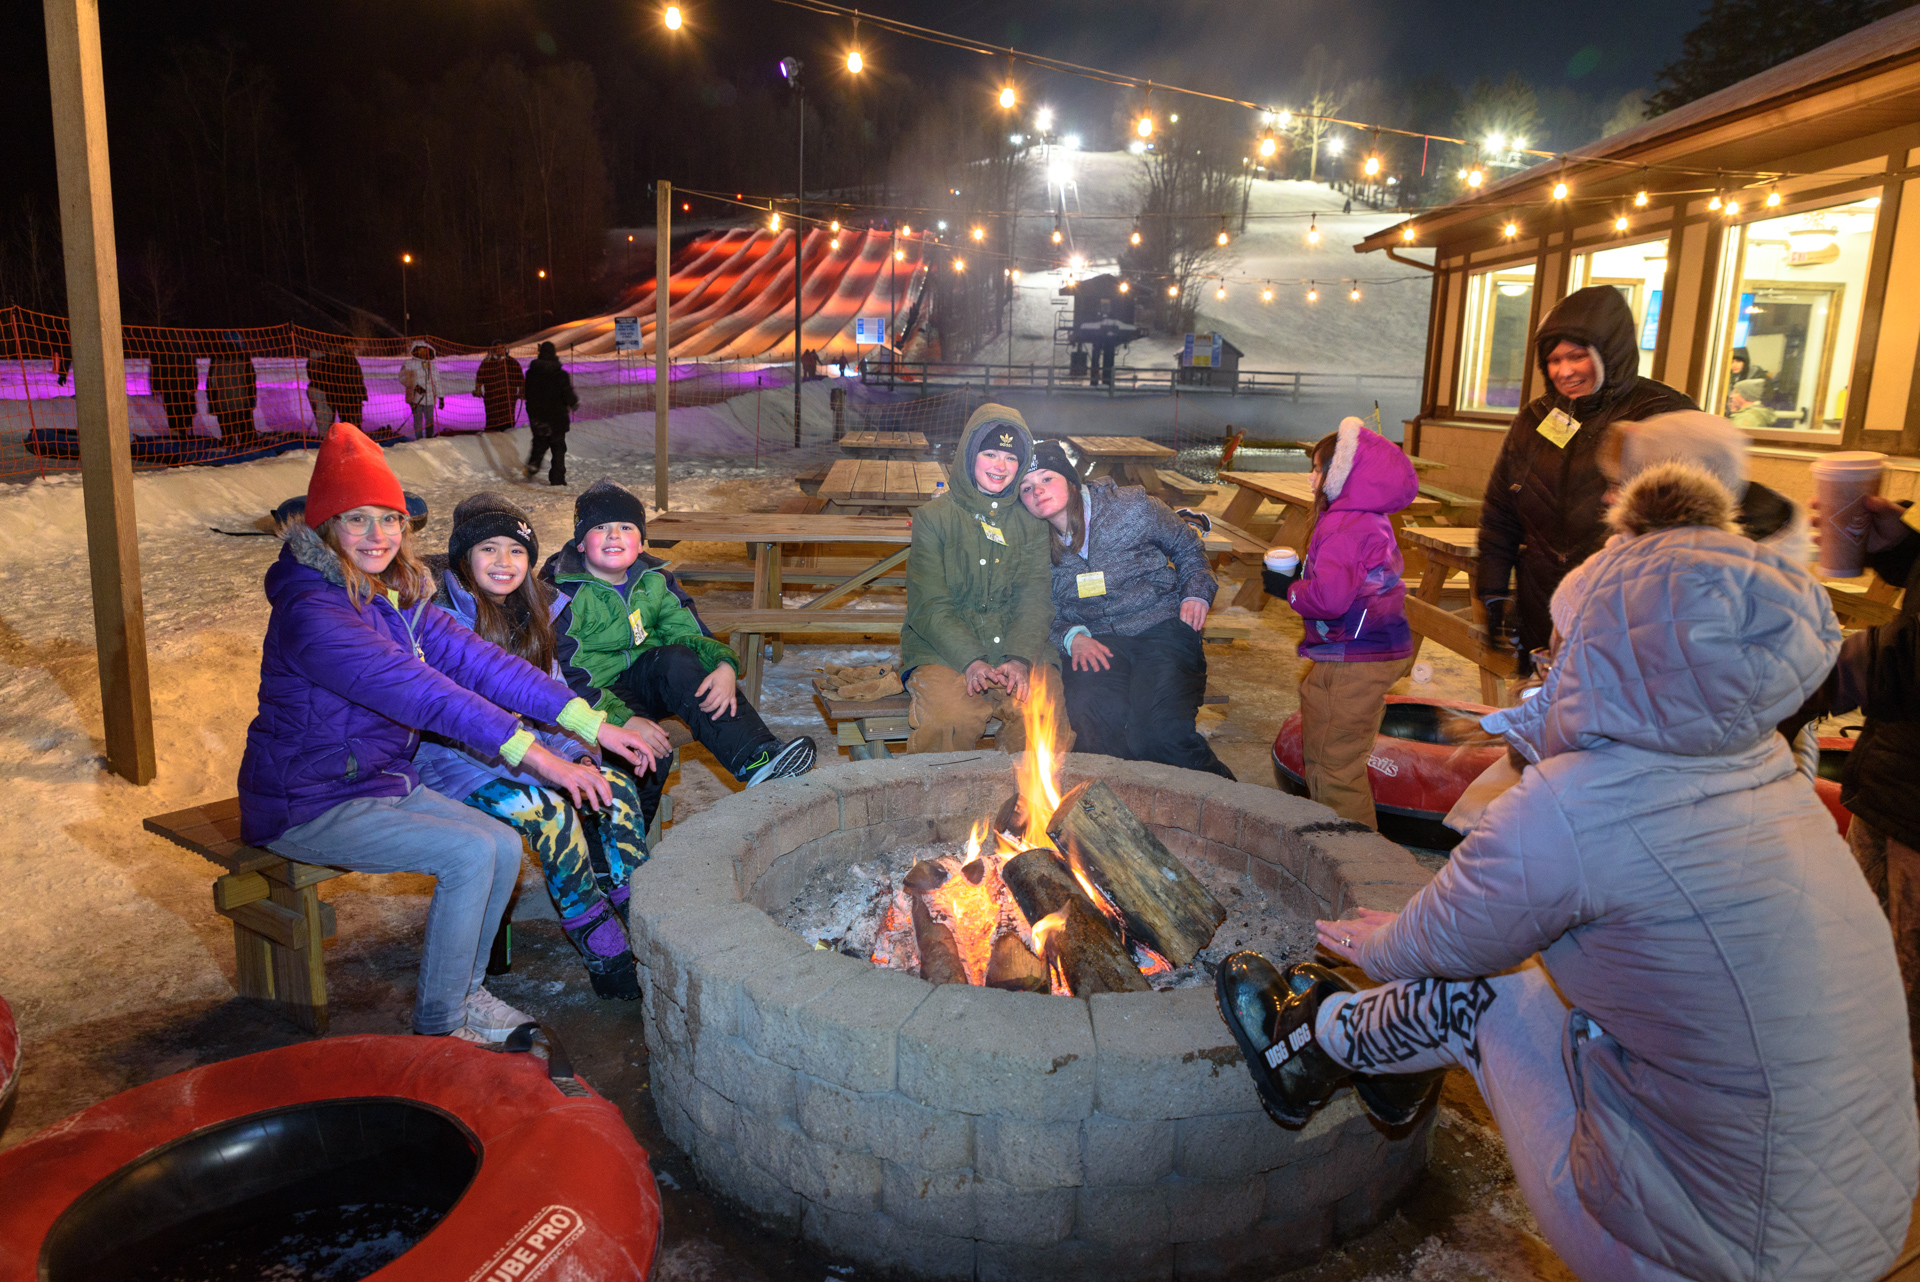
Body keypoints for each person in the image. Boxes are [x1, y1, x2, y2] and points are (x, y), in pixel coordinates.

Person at [1219, 460, 1919, 1281]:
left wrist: (1379, 945)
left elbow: (1445, 943)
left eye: (1560, 644)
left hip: (1708, 1253)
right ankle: (1386, 1067)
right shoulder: (1761, 770)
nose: (1545, 659)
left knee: (1479, 996)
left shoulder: (1580, 800)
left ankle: (1299, 1052)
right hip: (1860, 1221)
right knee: (1538, 988)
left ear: (1607, 649)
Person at [237, 424, 659, 1041]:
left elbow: (482, 664)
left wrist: (589, 724)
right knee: (468, 853)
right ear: (329, 528)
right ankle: (442, 1022)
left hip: (381, 781)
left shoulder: (394, 595)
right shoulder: (314, 612)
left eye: (390, 520)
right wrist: (543, 760)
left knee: (501, 844)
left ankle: (464, 995)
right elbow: (429, 695)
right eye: (358, 521)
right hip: (310, 799)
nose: (378, 536)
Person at [415, 493, 668, 1000]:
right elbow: (458, 721)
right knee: (548, 814)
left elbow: (548, 697)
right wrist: (550, 764)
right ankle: (593, 930)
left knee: (614, 786)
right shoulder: (443, 620)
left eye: (516, 551)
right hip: (456, 763)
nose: (504, 563)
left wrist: (575, 752)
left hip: (529, 750)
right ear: (464, 558)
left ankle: (636, 905)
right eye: (488, 550)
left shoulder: (535, 612)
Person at [549, 478, 816, 797]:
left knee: (679, 660)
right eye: (601, 528)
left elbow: (687, 632)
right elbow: (567, 674)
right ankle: (629, 843)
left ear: (642, 543)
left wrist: (724, 666)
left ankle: (757, 758)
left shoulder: (654, 581)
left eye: (626, 527)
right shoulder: (561, 594)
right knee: (650, 753)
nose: (614, 536)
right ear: (580, 543)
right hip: (590, 698)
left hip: (643, 680)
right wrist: (625, 720)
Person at [1477, 285, 1694, 664]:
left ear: (1608, 352)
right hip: (1541, 606)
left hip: (1625, 616)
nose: (1564, 371)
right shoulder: (1537, 418)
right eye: (1553, 359)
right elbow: (1500, 512)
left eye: (1577, 356)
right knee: (1542, 710)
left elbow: (1693, 524)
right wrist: (1493, 590)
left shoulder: (1664, 415)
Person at [1792, 488, 1920, 1077]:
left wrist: (1816, 681)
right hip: (1896, 771)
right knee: (1859, 969)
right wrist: (1903, 556)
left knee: (1906, 1012)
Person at [1017, 440, 1230, 778]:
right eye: (1026, 488)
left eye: (1046, 479)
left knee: (1157, 733)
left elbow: (1188, 547)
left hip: (1161, 627)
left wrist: (1196, 593)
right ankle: (1123, 809)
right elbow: (1035, 607)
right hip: (1097, 640)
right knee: (1091, 723)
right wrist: (1070, 638)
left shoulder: (1131, 507)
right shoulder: (1030, 543)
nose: (1037, 492)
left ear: (1070, 480)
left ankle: (1228, 803)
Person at [1261, 417, 1418, 829]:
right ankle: (1329, 837)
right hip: (1359, 646)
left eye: (1317, 469)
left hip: (1357, 652)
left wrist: (1290, 589)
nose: (1310, 477)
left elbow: (1329, 600)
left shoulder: (1347, 525)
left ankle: (1356, 860)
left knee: (1336, 765)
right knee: (1325, 744)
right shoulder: (1358, 516)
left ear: (1343, 474)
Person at [901, 404, 1069, 755]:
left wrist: (1020, 659)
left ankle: (1027, 806)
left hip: (1019, 646)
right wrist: (971, 660)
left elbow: (1034, 597)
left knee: (1041, 714)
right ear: (969, 455)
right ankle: (939, 800)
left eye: (1010, 458)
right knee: (950, 718)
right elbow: (929, 603)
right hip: (944, 652)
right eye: (990, 453)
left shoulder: (1032, 522)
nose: (1000, 466)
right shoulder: (934, 518)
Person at [523, 341, 578, 486]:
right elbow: (567, 393)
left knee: (539, 442)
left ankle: (533, 465)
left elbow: (528, 394)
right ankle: (557, 477)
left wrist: (532, 411)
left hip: (538, 415)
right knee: (558, 447)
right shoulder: (560, 375)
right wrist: (573, 403)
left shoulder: (531, 374)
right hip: (557, 416)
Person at [208, 332, 260, 452]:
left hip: (222, 403)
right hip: (242, 403)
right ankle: (247, 457)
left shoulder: (216, 358)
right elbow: (250, 381)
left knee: (228, 437)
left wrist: (212, 401)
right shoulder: (244, 357)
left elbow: (211, 382)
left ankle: (228, 457)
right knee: (247, 437)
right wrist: (251, 399)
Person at [149, 344, 199, 440]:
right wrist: (192, 385)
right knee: (181, 415)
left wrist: (155, 385)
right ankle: (180, 436)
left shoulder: (159, 346)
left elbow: (155, 366)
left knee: (174, 414)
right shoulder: (184, 346)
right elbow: (191, 367)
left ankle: (178, 436)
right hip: (180, 388)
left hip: (169, 386)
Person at [315, 344, 369, 429]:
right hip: (346, 397)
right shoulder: (341, 360)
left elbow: (357, 378)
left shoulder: (350, 359)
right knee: (349, 423)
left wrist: (360, 393)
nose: (353, 346)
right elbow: (347, 379)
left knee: (352, 423)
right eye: (350, 343)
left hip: (350, 397)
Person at [474, 342, 524, 432]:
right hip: (492, 397)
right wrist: (478, 389)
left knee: (508, 421)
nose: (500, 350)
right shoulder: (487, 363)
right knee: (492, 421)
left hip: (508, 397)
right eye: (497, 348)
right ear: (493, 349)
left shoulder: (512, 362)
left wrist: (521, 391)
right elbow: (480, 377)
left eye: (502, 348)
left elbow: (519, 378)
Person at [400, 341, 440, 439]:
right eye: (420, 350)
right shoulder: (409, 364)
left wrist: (441, 396)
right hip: (415, 398)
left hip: (430, 398)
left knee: (430, 420)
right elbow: (403, 378)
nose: (423, 353)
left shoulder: (432, 366)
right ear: (415, 351)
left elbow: (437, 381)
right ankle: (419, 439)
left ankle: (429, 439)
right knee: (418, 421)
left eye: (424, 351)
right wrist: (415, 386)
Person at [305, 348, 333, 432]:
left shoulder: (312, 359)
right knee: (324, 416)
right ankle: (324, 439)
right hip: (321, 390)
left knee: (321, 415)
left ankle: (324, 437)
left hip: (312, 388)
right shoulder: (325, 360)